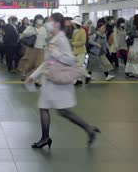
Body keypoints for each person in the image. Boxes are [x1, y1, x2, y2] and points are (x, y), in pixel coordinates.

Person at [26, 12, 100, 149]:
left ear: (56, 24)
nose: (47, 23)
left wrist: (56, 54)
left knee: (64, 112)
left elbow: (70, 60)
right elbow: (47, 62)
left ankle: (88, 129)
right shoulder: (53, 38)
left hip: (59, 83)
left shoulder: (61, 39)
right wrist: (34, 75)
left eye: (49, 21)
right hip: (50, 81)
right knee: (44, 108)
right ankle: (45, 137)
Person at [18, 14, 47, 82]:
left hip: (41, 49)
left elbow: (46, 38)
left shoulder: (44, 28)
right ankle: (24, 74)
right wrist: (33, 33)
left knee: (39, 65)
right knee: (29, 63)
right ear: (35, 20)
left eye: (41, 19)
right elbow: (22, 36)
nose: (40, 21)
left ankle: (37, 80)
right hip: (32, 49)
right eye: (39, 19)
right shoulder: (31, 27)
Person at [71, 17, 89, 85]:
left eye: (73, 23)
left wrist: (73, 43)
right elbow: (74, 39)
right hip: (75, 51)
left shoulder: (82, 31)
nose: (72, 24)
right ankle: (79, 79)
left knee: (78, 66)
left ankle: (87, 76)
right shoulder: (74, 30)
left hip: (81, 51)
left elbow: (83, 42)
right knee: (76, 66)